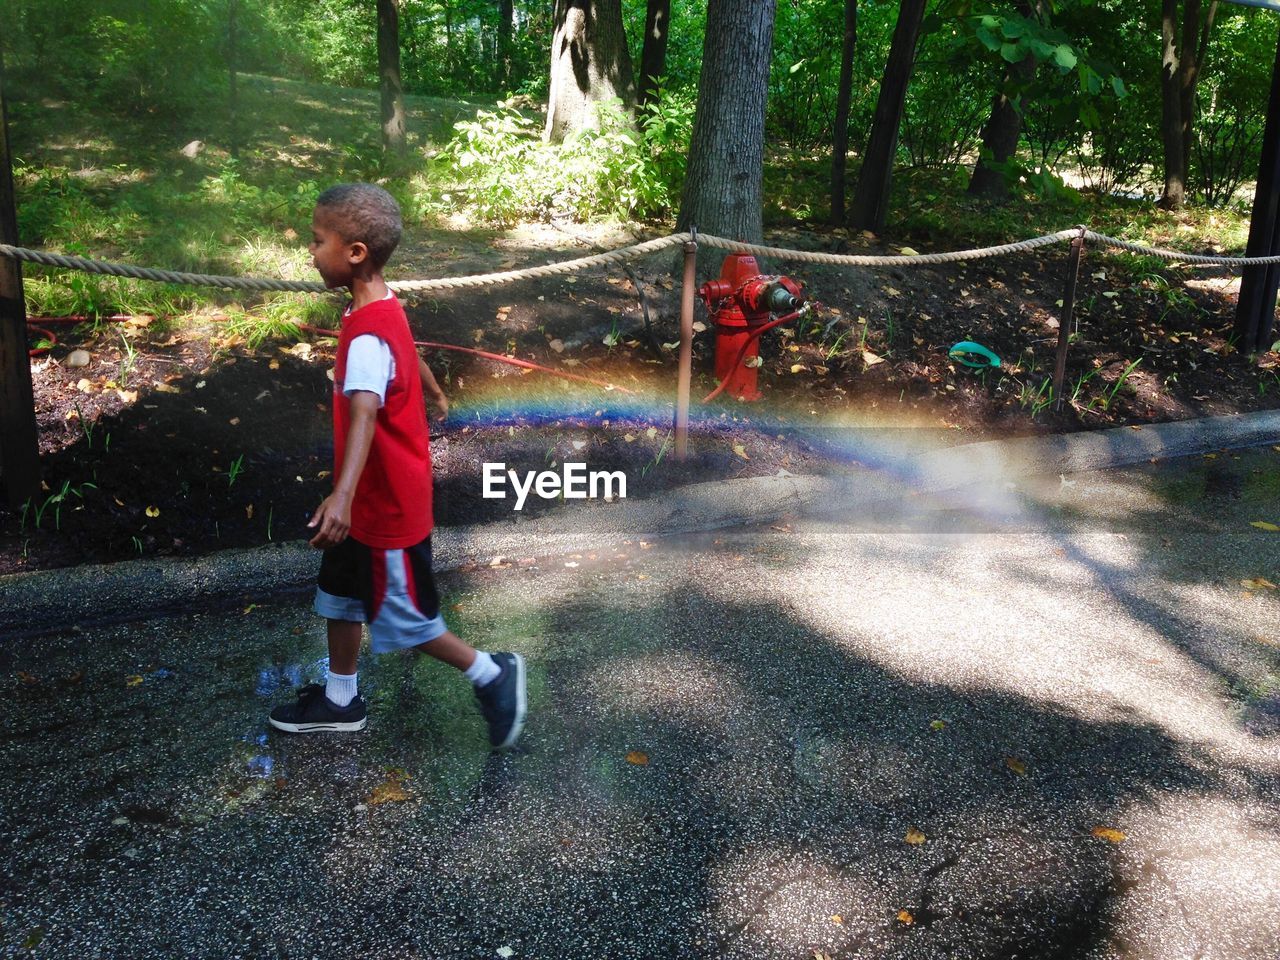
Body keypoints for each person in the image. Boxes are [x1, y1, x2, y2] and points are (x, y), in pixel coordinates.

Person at [268, 183, 526, 750]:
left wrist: (340, 495)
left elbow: (364, 414)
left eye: (318, 241)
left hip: (383, 506)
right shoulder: (380, 304)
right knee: (340, 593)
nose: (310, 252)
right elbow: (405, 349)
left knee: (406, 619)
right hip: (365, 500)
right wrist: (432, 386)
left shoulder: (366, 333)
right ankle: (340, 699)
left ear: (354, 252)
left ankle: (493, 673)